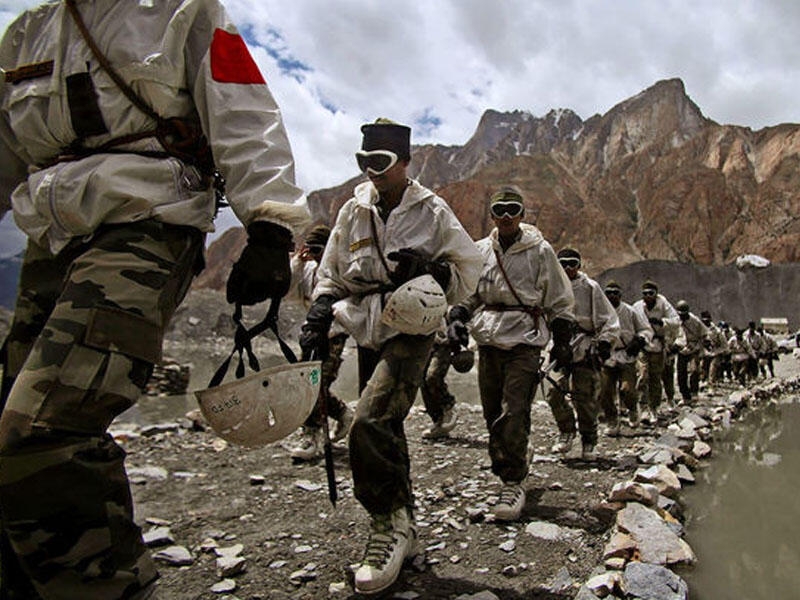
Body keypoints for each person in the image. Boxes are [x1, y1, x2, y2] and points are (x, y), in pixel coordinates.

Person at [0, 1, 310, 598]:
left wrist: (269, 227)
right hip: (51, 232)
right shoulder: (24, 35)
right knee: (8, 435)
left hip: (148, 218)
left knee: (44, 430)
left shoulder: (183, 10)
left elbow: (245, 113)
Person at [298, 119, 482, 595]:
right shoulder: (352, 211)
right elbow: (333, 270)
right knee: (387, 425)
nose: (371, 172)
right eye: (364, 163)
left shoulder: (432, 210)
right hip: (365, 322)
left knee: (369, 421)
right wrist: (320, 309)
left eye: (380, 163)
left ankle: (386, 525)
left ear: (404, 162)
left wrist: (437, 275)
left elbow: (468, 266)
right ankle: (406, 521)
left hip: (414, 323)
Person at [449, 185, 574, 520]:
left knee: (513, 410)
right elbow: (469, 293)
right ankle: (514, 458)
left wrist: (562, 337)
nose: (505, 216)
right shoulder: (479, 251)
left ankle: (512, 480)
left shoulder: (541, 250)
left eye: (512, 210)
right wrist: (459, 314)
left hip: (525, 339)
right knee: (492, 414)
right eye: (499, 209)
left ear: (522, 214)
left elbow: (559, 297)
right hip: (488, 339)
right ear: (491, 214)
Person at [287, 225, 354, 460]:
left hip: (334, 335)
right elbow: (289, 290)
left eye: (319, 249)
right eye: (312, 249)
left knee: (316, 382)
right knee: (305, 380)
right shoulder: (309, 270)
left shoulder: (341, 268)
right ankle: (343, 413)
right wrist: (298, 262)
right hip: (313, 334)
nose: (316, 255)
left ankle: (311, 435)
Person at [546, 248, 619, 459]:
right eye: (563, 263)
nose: (567, 268)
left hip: (584, 347)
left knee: (584, 398)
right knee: (554, 392)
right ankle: (566, 431)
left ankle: (589, 441)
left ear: (579, 265)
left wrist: (604, 343)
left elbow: (609, 319)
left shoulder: (590, 287)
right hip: (559, 346)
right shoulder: (550, 285)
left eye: (572, 263)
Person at [598, 281, 653, 435]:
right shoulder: (600, 311)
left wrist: (640, 340)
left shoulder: (629, 311)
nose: (612, 296)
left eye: (615, 293)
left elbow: (645, 329)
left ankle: (632, 409)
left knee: (627, 389)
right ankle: (612, 420)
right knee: (605, 391)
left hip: (626, 355)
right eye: (608, 293)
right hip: (607, 356)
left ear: (620, 295)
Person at [633, 281, 680, 425]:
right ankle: (643, 407)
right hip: (644, 347)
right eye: (645, 294)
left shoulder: (663, 304)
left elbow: (676, 321)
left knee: (655, 378)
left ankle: (654, 407)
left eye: (651, 293)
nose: (648, 296)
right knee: (642, 376)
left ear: (656, 294)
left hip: (658, 347)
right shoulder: (637, 307)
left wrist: (662, 322)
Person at [419, 314, 464, 440]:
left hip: (444, 340)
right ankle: (438, 421)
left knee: (432, 376)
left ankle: (448, 406)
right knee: (421, 380)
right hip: (424, 337)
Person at [673, 301, 709, 405]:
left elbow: (704, 333)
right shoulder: (675, 321)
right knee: (681, 373)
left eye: (684, 314)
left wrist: (706, 341)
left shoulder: (695, 321)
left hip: (694, 348)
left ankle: (694, 393)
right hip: (681, 349)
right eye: (680, 314)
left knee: (694, 370)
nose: (682, 316)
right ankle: (685, 395)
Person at [700, 311, 728, 386]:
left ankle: (711, 385)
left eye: (707, 320)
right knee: (702, 368)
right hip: (704, 353)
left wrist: (717, 351)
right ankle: (703, 383)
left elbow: (724, 345)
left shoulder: (717, 331)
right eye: (703, 320)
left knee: (712, 369)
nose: (705, 322)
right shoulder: (700, 329)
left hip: (715, 353)